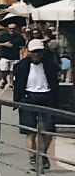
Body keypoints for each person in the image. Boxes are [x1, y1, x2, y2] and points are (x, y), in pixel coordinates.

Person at [17, 36, 63, 164]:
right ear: (29, 52)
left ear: (43, 52)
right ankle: (32, 158)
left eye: (39, 51)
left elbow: (56, 79)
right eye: (34, 51)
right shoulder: (22, 66)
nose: (36, 54)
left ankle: (42, 154)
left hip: (47, 97)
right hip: (28, 97)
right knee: (30, 131)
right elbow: (17, 83)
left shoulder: (50, 64)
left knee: (49, 129)